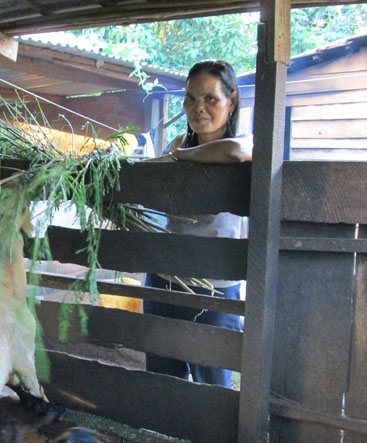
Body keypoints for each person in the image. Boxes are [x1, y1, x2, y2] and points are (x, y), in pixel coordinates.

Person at [143, 59, 252, 388]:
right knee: (162, 380)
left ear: (231, 102)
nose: (198, 107)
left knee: (212, 385)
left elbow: (234, 152)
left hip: (213, 288)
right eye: (191, 98)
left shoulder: (245, 142)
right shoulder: (178, 143)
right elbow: (152, 171)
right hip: (163, 280)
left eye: (210, 98)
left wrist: (183, 158)